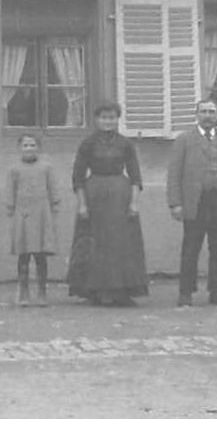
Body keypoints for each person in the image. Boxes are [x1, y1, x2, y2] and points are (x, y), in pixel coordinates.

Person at [66, 103, 148, 306]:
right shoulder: (88, 144)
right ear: (97, 119)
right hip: (94, 195)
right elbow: (77, 177)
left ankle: (122, 291)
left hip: (121, 196)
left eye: (111, 117)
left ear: (117, 119)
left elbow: (136, 176)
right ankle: (95, 290)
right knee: (96, 244)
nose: (108, 121)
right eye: (104, 117)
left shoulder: (126, 144)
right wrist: (83, 205)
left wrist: (134, 204)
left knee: (121, 244)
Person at [166, 99, 217, 307]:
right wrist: (175, 203)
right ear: (197, 115)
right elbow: (174, 173)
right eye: (203, 112)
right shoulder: (184, 140)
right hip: (195, 201)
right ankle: (186, 292)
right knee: (191, 247)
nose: (208, 115)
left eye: (211, 112)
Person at [6, 133, 60, 308]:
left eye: (32, 145)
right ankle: (23, 292)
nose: (29, 149)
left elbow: (53, 188)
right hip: (23, 215)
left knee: (40, 256)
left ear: (39, 148)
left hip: (41, 215)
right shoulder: (14, 169)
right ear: (19, 148)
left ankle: (42, 292)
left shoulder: (46, 168)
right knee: (23, 256)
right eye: (25, 145)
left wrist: (55, 205)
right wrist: (11, 207)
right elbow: (10, 190)